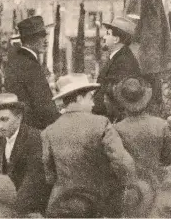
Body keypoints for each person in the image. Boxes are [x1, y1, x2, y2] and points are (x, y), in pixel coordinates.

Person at [41, 74, 136, 217]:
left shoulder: (49, 131)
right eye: (90, 98)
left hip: (61, 205)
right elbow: (123, 163)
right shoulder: (101, 123)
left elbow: (49, 176)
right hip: (96, 204)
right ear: (79, 98)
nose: (93, 104)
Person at [112, 77, 171, 217]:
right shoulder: (161, 125)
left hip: (131, 191)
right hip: (156, 186)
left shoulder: (117, 129)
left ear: (123, 102)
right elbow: (170, 160)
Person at [0, 93, 51, 216]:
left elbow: (33, 181)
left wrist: (11, 212)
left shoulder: (35, 138)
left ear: (19, 117)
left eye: (4, 119)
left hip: (30, 210)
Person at [4, 15, 59, 130]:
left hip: (22, 128)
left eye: (45, 35)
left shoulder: (17, 60)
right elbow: (44, 106)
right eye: (41, 36)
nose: (46, 41)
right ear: (29, 40)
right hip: (35, 130)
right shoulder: (30, 65)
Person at [93, 17, 141, 121]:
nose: (104, 37)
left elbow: (113, 95)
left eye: (107, 34)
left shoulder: (123, 61)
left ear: (116, 39)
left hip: (115, 120)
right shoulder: (118, 57)